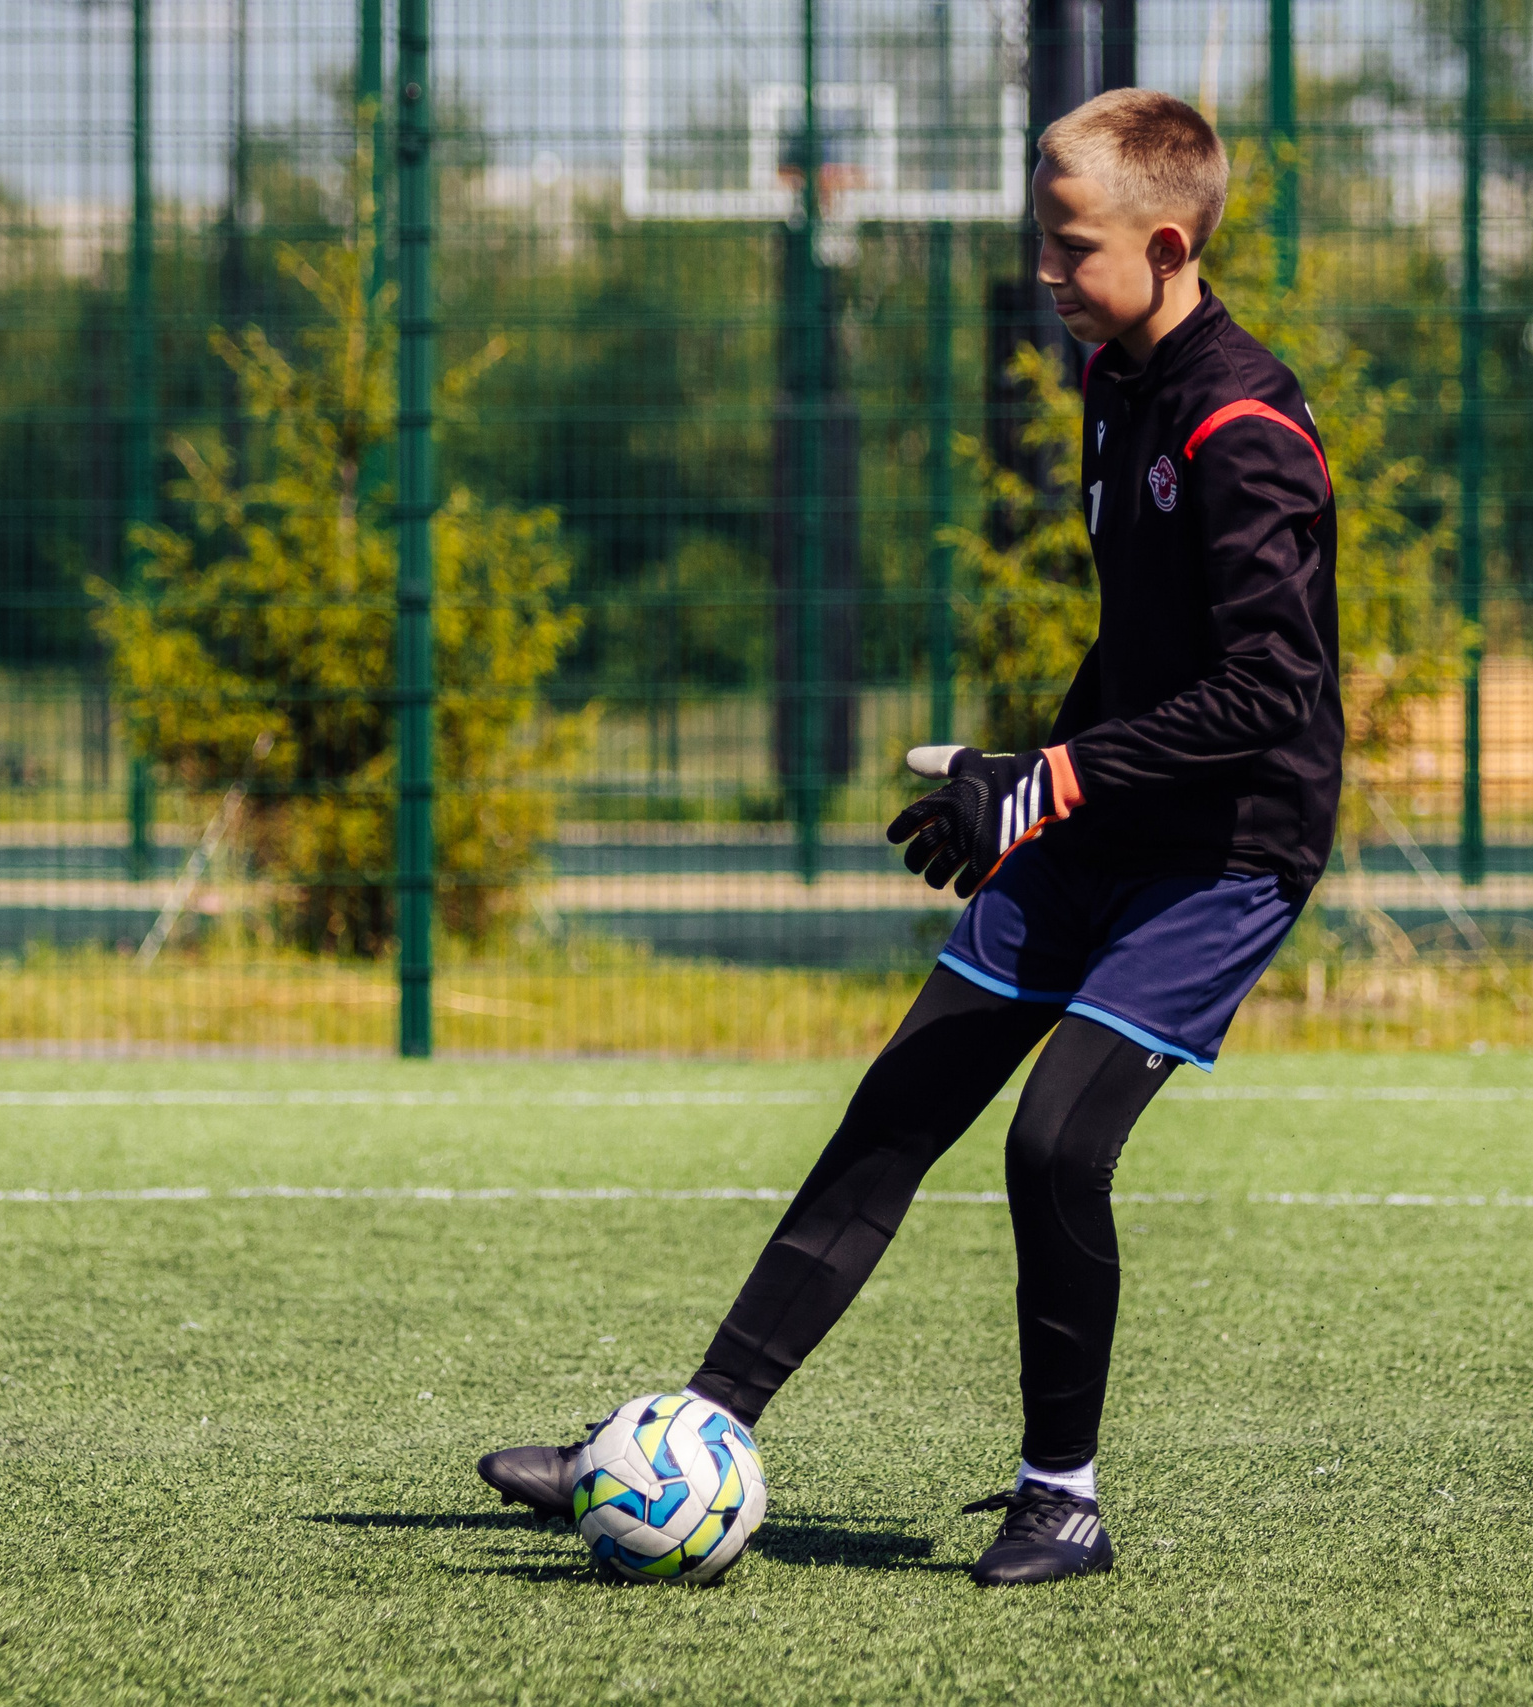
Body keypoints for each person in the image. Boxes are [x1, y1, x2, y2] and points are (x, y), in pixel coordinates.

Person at [477, 86, 1339, 1588]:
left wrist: (1055, 781)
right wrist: (1016, 786)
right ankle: (686, 1437)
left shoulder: (1243, 425)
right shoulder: (1115, 380)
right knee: (898, 1106)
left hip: (1224, 853)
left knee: (1055, 1143)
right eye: (1039, 243)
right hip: (1105, 820)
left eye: (1070, 248)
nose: (1045, 274)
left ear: (1165, 243)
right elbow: (1139, 643)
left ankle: (1061, 1500)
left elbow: (1270, 689)